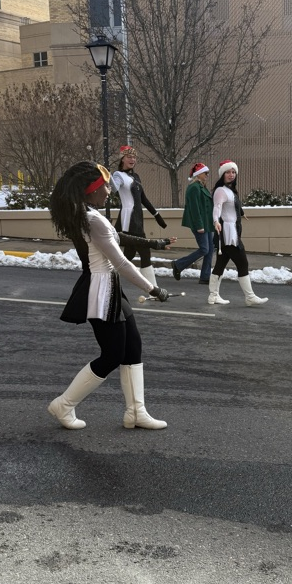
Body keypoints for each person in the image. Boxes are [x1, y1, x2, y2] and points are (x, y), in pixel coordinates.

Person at [47, 161, 173, 430]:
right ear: (90, 190)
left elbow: (118, 237)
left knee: (133, 346)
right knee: (112, 354)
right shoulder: (92, 218)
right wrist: (152, 289)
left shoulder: (87, 213)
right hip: (101, 289)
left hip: (109, 288)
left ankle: (136, 412)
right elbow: (122, 263)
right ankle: (64, 405)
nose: (109, 189)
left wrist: (154, 243)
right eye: (103, 185)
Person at [210, 160, 268, 307]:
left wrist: (241, 212)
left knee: (220, 265)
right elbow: (217, 208)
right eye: (228, 172)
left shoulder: (230, 190)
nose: (231, 175)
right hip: (228, 234)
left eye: (233, 172)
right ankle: (250, 297)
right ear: (222, 174)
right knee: (243, 263)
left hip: (231, 232)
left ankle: (213, 296)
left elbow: (232, 206)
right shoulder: (221, 190)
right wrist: (215, 221)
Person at [111, 145, 167, 288]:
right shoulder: (118, 175)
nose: (132, 159)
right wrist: (108, 181)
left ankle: (110, 281)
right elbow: (112, 189)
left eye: (134, 157)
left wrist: (157, 215)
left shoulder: (135, 177)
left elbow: (143, 199)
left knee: (127, 256)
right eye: (129, 157)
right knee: (145, 252)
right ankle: (153, 289)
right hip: (129, 219)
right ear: (122, 159)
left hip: (138, 217)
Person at [171, 162, 215, 286]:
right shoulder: (194, 187)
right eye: (205, 173)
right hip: (200, 224)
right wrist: (199, 225)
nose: (207, 175)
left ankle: (205, 277)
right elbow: (194, 208)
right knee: (204, 249)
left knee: (210, 249)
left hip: (207, 223)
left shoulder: (201, 186)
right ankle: (178, 264)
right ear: (198, 174)